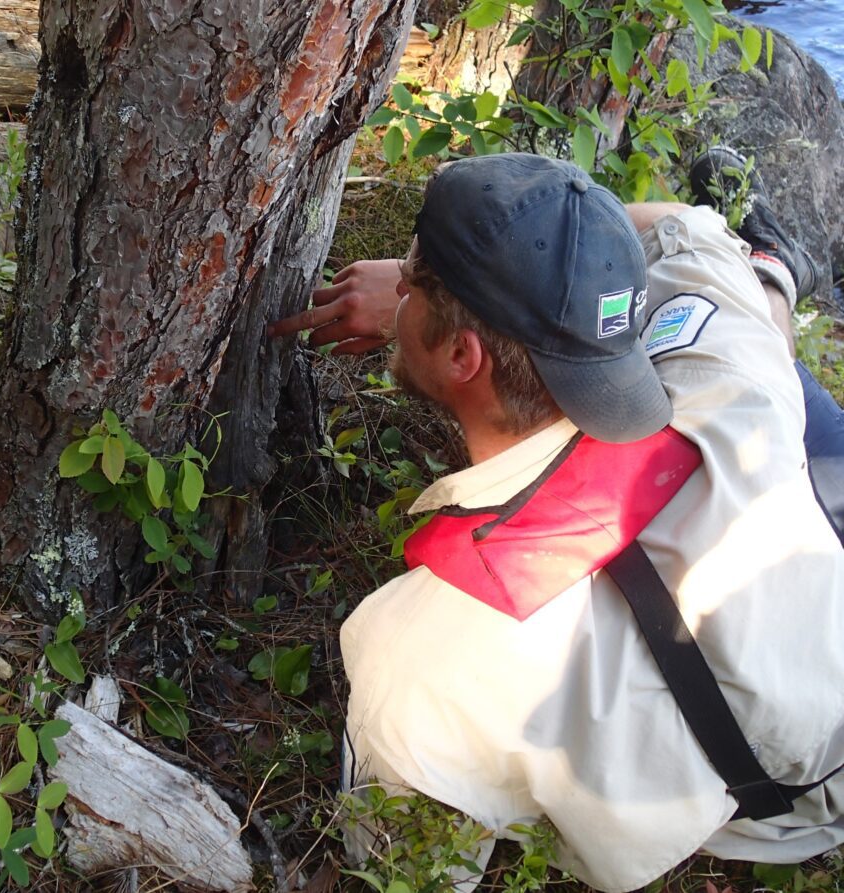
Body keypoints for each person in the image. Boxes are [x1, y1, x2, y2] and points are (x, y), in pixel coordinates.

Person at [268, 152, 844, 890]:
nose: (399, 287)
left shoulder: (416, 658)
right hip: (815, 641)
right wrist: (439, 290)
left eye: (410, 284)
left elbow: (412, 868)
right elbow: (683, 225)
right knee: (758, 336)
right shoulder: (729, 388)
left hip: (791, 797)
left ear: (460, 353)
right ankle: (773, 274)